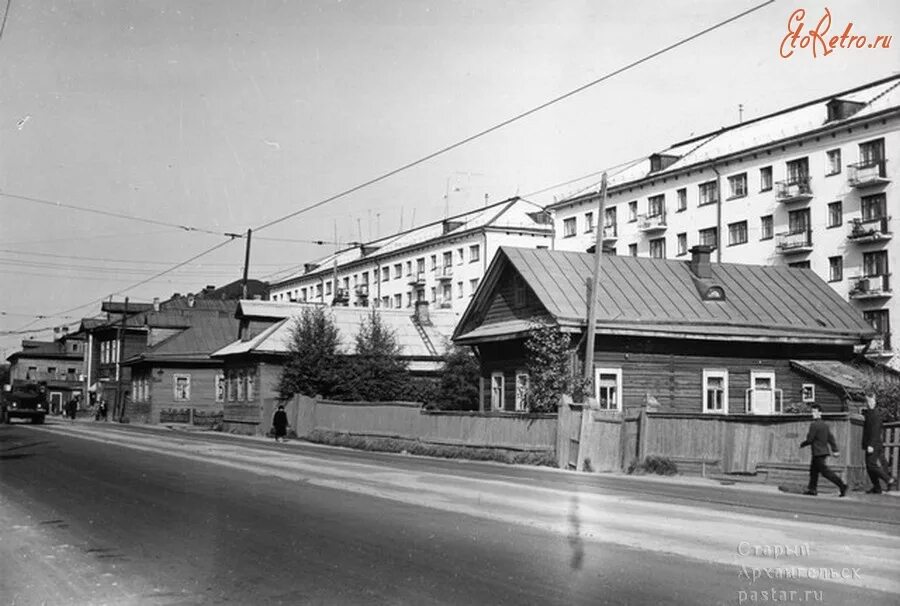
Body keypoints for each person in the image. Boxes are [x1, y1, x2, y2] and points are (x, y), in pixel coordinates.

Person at [800, 404, 848, 497]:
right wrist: (835, 449)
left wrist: (803, 444)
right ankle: (812, 489)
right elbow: (830, 438)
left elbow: (810, 439)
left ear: (820, 413)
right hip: (823, 452)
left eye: (815, 412)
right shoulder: (825, 425)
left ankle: (842, 485)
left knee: (825, 472)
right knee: (813, 471)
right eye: (812, 412)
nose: (813, 414)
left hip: (818, 452)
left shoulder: (814, 425)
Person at [861, 393, 896, 494]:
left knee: (871, 465)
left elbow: (875, 431)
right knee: (870, 466)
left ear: (874, 401)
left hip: (874, 444)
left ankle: (888, 479)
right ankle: (877, 487)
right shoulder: (870, 413)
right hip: (873, 443)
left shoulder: (876, 414)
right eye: (867, 401)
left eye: (869, 401)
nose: (868, 403)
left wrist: (871, 445)